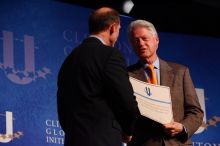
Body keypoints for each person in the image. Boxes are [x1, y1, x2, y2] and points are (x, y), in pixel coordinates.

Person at [57, 7, 139, 146]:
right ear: (112, 28)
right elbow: (125, 100)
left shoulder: (69, 60)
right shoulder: (110, 55)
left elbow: (62, 108)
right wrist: (128, 130)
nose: (118, 35)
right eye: (119, 30)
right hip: (103, 139)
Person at [126, 19, 204, 146]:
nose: (141, 43)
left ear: (156, 40)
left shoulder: (180, 72)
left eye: (145, 38)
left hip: (177, 143)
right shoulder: (126, 76)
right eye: (136, 40)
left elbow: (196, 112)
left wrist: (182, 127)